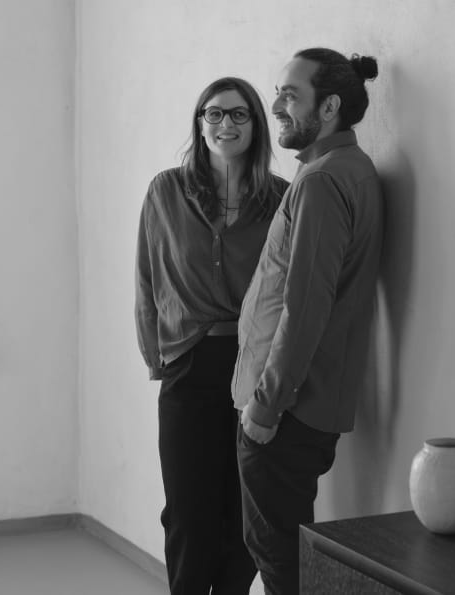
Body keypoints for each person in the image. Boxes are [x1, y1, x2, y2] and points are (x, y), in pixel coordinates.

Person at [232, 48, 384, 594]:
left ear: (330, 107)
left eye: (290, 95)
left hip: (286, 410)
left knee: (279, 561)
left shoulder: (323, 180)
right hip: (303, 403)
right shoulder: (344, 170)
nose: (276, 106)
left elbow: (306, 307)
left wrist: (266, 405)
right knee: (286, 555)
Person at [135, 77, 289, 595]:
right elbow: (147, 279)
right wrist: (156, 355)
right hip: (188, 362)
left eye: (239, 114)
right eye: (215, 113)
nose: (226, 124)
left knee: (243, 511)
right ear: (200, 124)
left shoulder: (281, 198)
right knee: (186, 510)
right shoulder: (165, 191)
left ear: (256, 124)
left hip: (255, 367)